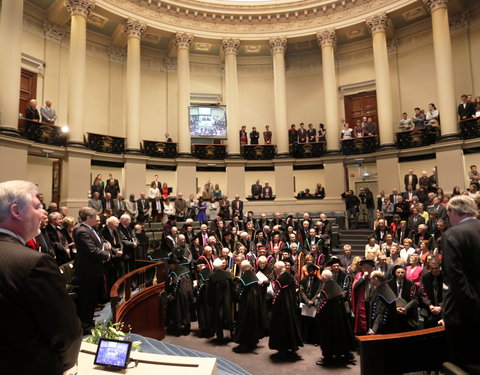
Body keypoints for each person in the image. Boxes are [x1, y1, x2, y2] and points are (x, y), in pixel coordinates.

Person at [0, 180, 82, 374]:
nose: (42, 213)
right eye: (37, 207)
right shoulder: (34, 263)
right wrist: (67, 366)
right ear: (16, 212)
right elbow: (67, 333)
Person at [442, 195, 480, 372]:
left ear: (454, 212)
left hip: (463, 315)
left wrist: (474, 307)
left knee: (463, 366)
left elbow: (456, 278)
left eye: (448, 214)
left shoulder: (452, 234)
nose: (448, 219)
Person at [73, 207, 112, 334]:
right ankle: (85, 326)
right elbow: (92, 250)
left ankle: (89, 321)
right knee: (87, 299)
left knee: (92, 298)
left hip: (94, 269)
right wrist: (107, 255)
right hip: (87, 271)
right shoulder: (81, 231)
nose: (98, 218)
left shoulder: (91, 229)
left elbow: (101, 241)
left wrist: (107, 246)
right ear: (89, 218)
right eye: (96, 216)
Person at [315, 269, 355, 366]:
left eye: (322, 276)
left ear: (324, 278)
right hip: (338, 318)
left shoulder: (327, 288)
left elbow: (323, 304)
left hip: (329, 319)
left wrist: (318, 311)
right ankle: (342, 354)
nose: (320, 278)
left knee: (328, 337)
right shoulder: (335, 285)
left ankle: (327, 358)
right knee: (339, 336)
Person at [269, 261, 303, 358]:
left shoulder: (282, 279)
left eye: (275, 267)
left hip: (282, 309)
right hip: (290, 307)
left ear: (280, 268)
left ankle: (282, 349)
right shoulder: (289, 277)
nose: (274, 269)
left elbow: (278, 296)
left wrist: (274, 306)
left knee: (282, 328)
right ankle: (290, 346)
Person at [232, 260, 266, 352]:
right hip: (255, 305)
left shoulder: (244, 279)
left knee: (245, 324)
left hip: (246, 306)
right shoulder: (254, 277)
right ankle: (253, 342)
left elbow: (239, 294)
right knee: (253, 323)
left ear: (242, 268)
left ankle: (245, 343)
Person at [166, 256, 194, 336]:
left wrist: (172, 295)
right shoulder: (185, 269)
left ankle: (179, 328)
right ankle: (187, 327)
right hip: (189, 292)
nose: (169, 267)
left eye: (170, 265)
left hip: (180, 294)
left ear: (173, 265)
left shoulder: (175, 273)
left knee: (179, 311)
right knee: (187, 309)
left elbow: (176, 284)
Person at [207, 258, 233, 343]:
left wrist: (210, 302)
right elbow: (232, 287)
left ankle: (220, 336)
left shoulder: (212, 276)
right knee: (229, 317)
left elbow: (210, 291)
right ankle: (232, 334)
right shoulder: (228, 274)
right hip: (227, 300)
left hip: (217, 301)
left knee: (218, 318)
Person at [368, 270, 397, 334]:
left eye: (371, 278)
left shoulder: (381, 292)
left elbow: (380, 312)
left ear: (375, 278)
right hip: (387, 324)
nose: (370, 280)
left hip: (382, 328)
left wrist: (374, 329)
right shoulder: (385, 287)